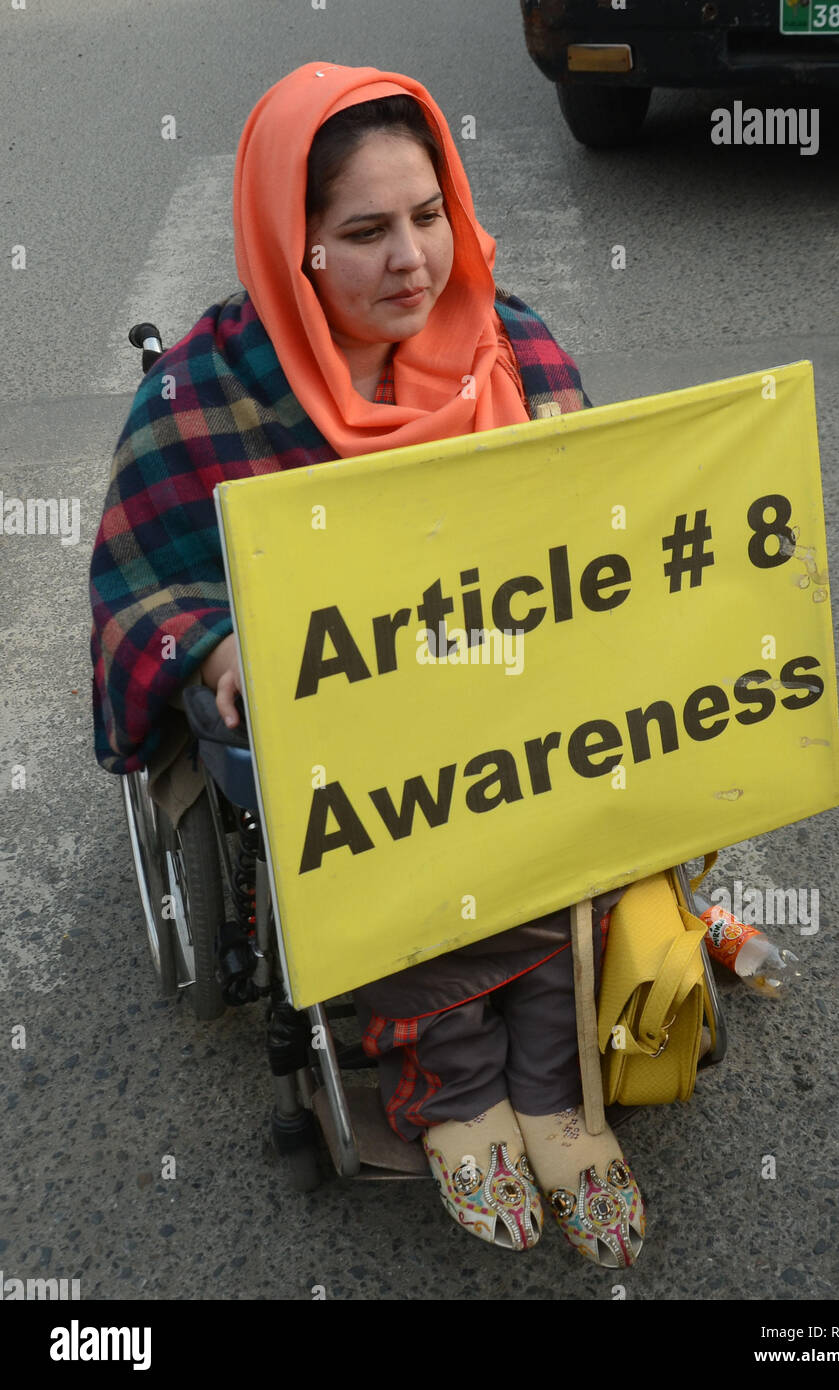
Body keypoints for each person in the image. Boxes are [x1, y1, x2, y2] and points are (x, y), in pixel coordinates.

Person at [89, 62, 644, 1267]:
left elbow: (609, 531)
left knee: (576, 809)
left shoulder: (520, 348)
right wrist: (220, 639)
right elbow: (143, 582)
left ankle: (552, 1094)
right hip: (356, 750)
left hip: (515, 707)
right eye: (365, 231)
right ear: (294, 249)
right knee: (390, 806)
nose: (414, 260)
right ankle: (451, 1089)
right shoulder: (205, 393)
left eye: (430, 215)